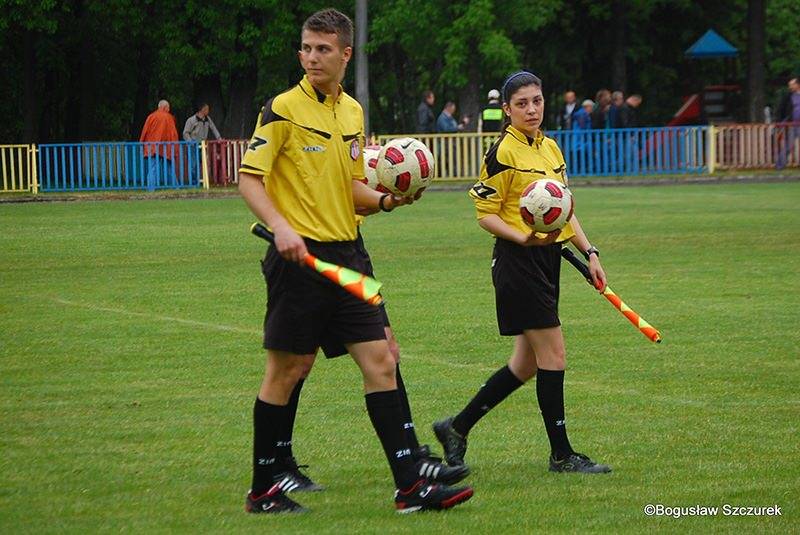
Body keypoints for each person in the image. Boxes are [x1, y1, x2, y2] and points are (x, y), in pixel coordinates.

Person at [237, 8, 473, 514]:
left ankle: (410, 486)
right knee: (289, 368)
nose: (312, 57)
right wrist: (281, 227)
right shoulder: (280, 109)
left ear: (346, 54)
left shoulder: (352, 113)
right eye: (306, 47)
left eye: (323, 49)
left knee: (382, 359)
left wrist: (388, 201)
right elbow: (248, 179)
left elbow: (349, 186)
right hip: (299, 260)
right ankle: (263, 490)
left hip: (348, 256)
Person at [433, 71, 612, 476]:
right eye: (522, 104)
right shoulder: (501, 153)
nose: (532, 110)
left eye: (537, 101)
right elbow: (485, 215)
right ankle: (562, 455)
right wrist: (523, 238)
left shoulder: (550, 148)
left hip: (549, 259)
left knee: (527, 364)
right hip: (517, 262)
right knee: (554, 354)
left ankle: (455, 428)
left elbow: (563, 210)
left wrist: (591, 251)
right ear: (508, 109)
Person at [139, 100, 179, 189]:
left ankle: (151, 188)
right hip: (166, 147)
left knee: (152, 168)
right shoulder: (169, 118)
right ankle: (175, 187)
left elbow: (144, 131)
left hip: (152, 147)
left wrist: (141, 144)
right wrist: (175, 148)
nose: (169, 110)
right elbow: (173, 134)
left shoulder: (151, 117)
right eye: (168, 108)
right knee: (169, 168)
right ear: (165, 107)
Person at [183, 103, 221, 183]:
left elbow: (213, 128)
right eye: (207, 109)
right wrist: (190, 141)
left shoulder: (207, 119)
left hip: (203, 144)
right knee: (193, 164)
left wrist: (219, 138)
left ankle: (203, 180)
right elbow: (185, 133)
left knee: (203, 162)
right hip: (193, 143)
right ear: (202, 110)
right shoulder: (192, 120)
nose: (208, 111)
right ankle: (194, 182)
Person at [776, 77, 800, 169]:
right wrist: (781, 121)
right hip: (792, 124)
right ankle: (780, 165)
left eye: (792, 85)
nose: (790, 87)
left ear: (798, 85)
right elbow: (782, 109)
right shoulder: (788, 96)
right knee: (789, 145)